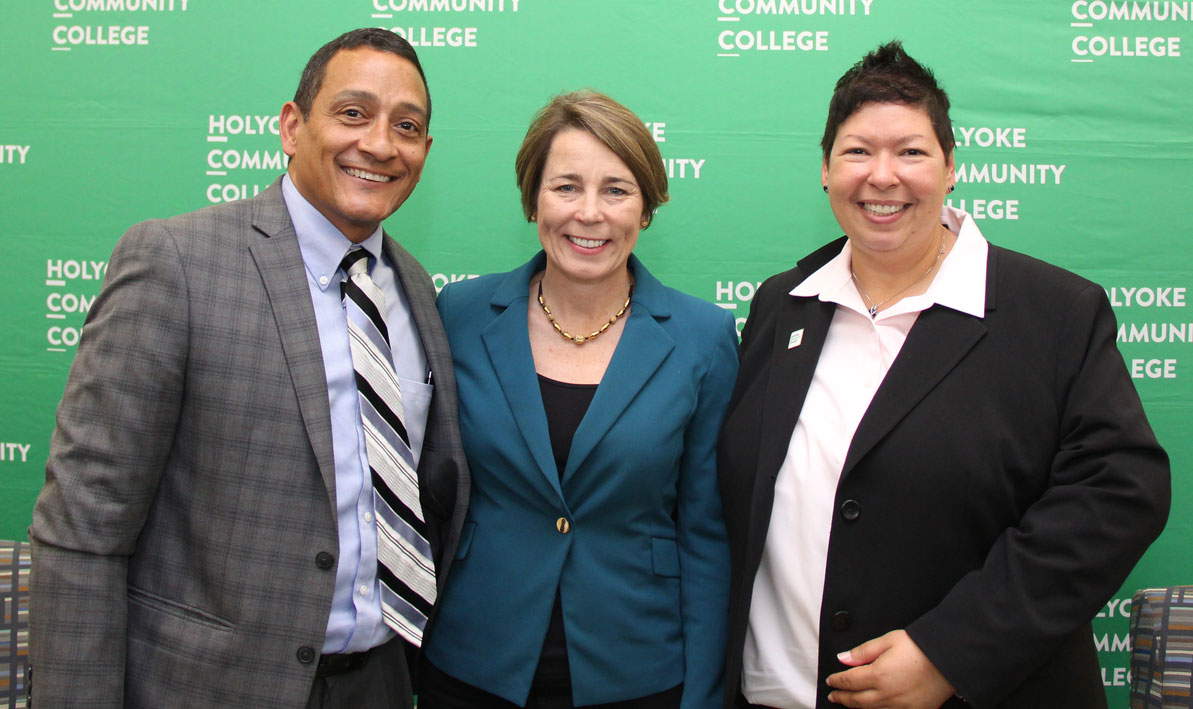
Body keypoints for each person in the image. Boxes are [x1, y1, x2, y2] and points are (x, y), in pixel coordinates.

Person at [717, 41, 1170, 709]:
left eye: (910, 151)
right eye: (856, 151)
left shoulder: (1053, 312)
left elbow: (1118, 495)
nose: (882, 175)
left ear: (951, 166)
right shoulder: (781, 304)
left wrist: (951, 651)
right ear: (823, 169)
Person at [28, 28, 469, 708]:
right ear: (292, 126)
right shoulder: (176, 261)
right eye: (352, 113)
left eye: (405, 126)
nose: (380, 144)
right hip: (206, 687)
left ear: (425, 152)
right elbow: (84, 526)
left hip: (379, 682)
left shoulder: (411, 286)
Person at [419, 90, 737, 709]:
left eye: (616, 190)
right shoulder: (458, 315)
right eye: (566, 187)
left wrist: (703, 693)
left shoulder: (704, 339)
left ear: (646, 208)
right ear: (533, 200)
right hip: (470, 663)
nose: (589, 213)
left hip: (639, 672)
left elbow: (706, 534)